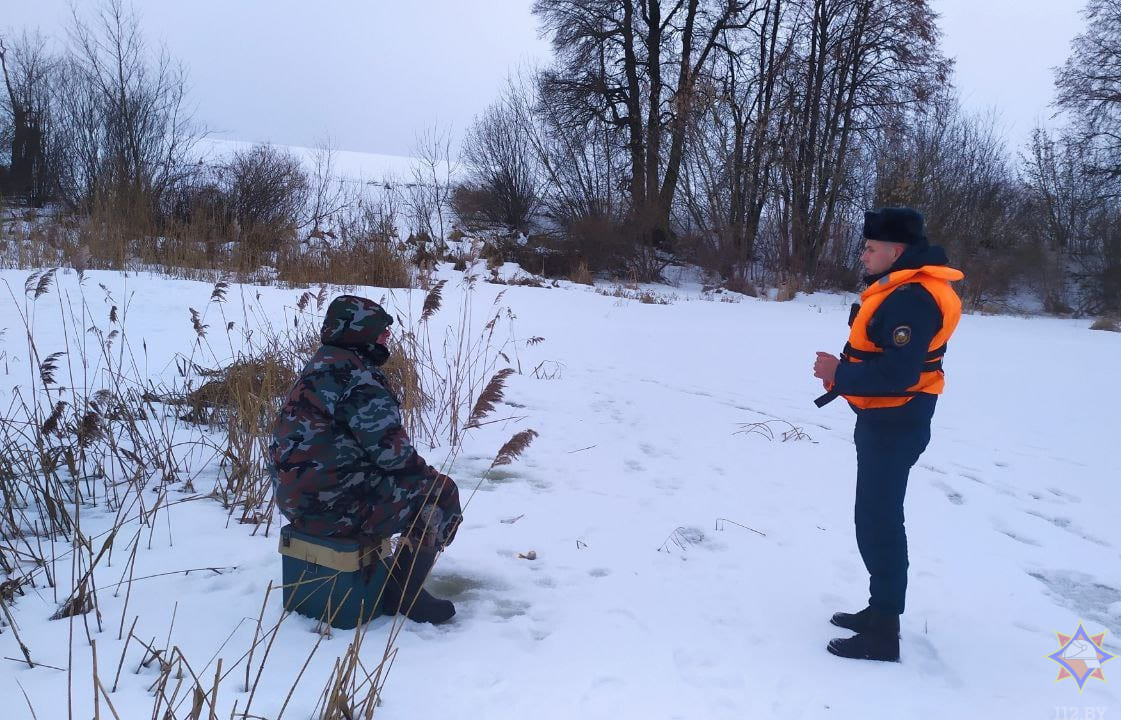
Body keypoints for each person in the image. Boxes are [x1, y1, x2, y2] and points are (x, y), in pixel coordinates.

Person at [812, 207, 963, 662]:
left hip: (897, 420)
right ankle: (879, 612)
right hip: (889, 417)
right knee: (874, 518)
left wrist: (841, 373)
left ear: (895, 251)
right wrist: (844, 376)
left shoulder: (911, 299)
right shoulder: (903, 289)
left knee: (879, 523)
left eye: (870, 248)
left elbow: (898, 373)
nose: (863, 256)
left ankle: (883, 633)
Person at [270, 294, 462, 624]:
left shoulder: (319, 365)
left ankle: (386, 577)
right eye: (380, 329)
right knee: (441, 494)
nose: (387, 335)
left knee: (408, 485)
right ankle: (404, 593)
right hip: (335, 510)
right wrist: (427, 476)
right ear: (357, 331)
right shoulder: (359, 379)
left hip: (296, 504)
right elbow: (394, 456)